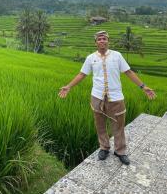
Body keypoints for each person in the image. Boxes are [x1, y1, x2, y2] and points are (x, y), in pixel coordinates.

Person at [59, 30, 156, 165]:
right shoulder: (90, 58)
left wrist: (143, 86)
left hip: (115, 96)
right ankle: (104, 147)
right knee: (100, 124)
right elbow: (82, 74)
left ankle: (120, 151)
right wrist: (69, 86)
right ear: (95, 43)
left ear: (108, 41)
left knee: (118, 124)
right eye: (99, 39)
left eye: (104, 39)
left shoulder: (117, 56)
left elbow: (128, 72)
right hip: (97, 96)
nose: (102, 41)